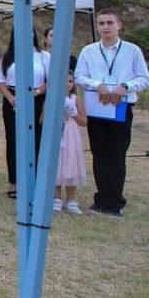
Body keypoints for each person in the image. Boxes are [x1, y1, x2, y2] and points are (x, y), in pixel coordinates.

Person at [74, 9, 148, 217]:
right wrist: (97, 85)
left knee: (116, 155)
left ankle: (115, 202)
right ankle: (101, 200)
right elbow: (79, 76)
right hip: (97, 107)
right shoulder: (89, 51)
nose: (105, 27)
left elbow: (144, 78)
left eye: (109, 23)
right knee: (99, 154)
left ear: (119, 25)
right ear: (97, 27)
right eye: (101, 23)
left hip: (121, 107)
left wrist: (125, 86)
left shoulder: (132, 50)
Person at [0, 27, 48, 199]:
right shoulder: (8, 57)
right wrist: (10, 98)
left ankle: (34, 182)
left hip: (36, 99)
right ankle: (14, 182)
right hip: (13, 100)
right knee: (13, 140)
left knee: (35, 140)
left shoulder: (43, 56)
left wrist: (36, 93)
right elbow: (0, 81)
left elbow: (51, 80)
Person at [54, 70, 87, 215]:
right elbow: (42, 119)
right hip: (57, 134)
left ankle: (71, 200)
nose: (67, 84)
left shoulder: (77, 100)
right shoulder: (53, 98)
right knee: (57, 164)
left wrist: (74, 113)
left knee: (71, 164)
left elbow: (84, 122)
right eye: (64, 81)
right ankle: (56, 198)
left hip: (71, 135)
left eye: (70, 81)